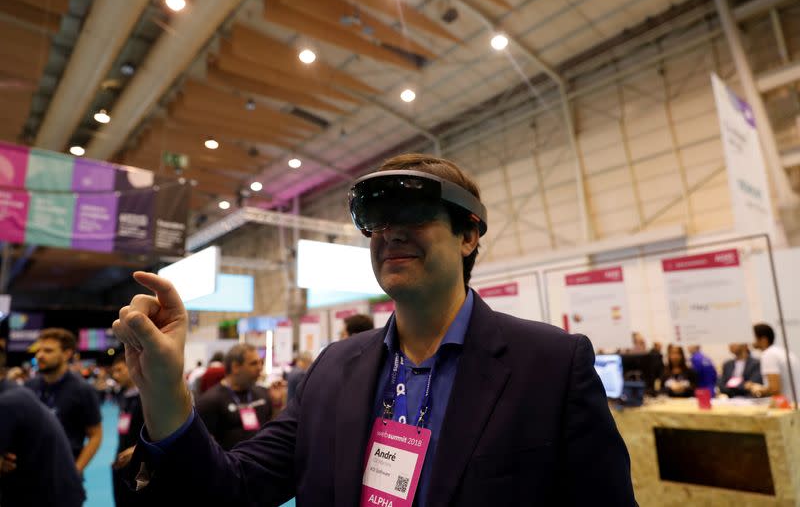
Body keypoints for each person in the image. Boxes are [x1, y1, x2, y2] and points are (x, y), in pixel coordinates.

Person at [113, 153, 635, 505]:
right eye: (376, 219)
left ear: (469, 234)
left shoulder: (549, 365)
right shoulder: (333, 370)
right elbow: (231, 487)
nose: (390, 233)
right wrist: (163, 391)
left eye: (412, 212)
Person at [24, 328, 103, 474]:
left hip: (63, 471)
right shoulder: (29, 386)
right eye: (39, 350)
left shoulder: (83, 390)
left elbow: (95, 435)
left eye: (48, 351)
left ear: (67, 354)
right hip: (28, 471)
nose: (40, 355)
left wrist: (76, 470)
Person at [0, 379, 86, 507]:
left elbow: (95, 433)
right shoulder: (18, 391)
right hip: (36, 488)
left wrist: (78, 468)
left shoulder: (8, 400)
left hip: (49, 494)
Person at [196, 344, 272, 450]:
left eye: (261, 363)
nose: (260, 368)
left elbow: (272, 427)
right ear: (235, 367)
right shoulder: (210, 401)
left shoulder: (262, 393)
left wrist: (277, 403)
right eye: (254, 363)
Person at [110, 351, 145, 507]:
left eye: (120, 370)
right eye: (114, 372)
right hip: (123, 460)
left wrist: (138, 449)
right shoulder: (123, 396)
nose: (116, 376)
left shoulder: (147, 397)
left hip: (143, 464)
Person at [747, 323, 800, 401]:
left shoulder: (768, 355)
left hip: (789, 405)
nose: (751, 341)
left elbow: (774, 389)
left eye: (754, 337)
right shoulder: (781, 352)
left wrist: (757, 390)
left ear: (763, 340)